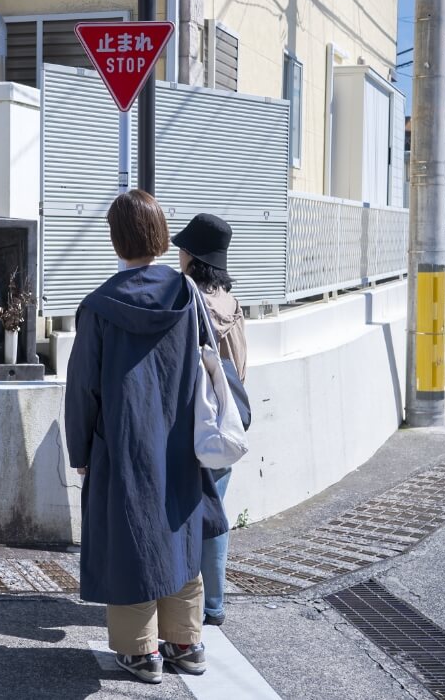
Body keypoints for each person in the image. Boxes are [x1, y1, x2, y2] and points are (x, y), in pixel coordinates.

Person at [64, 189, 226, 684]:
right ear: (159, 235)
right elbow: (209, 359)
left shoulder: (99, 307)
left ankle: (140, 652)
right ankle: (186, 641)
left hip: (122, 441)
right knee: (180, 534)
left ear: (116, 238)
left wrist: (80, 449)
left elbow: (83, 388)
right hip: (180, 440)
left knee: (128, 539)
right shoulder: (188, 294)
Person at [172, 213, 246, 628]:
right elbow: (240, 369)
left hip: (193, 427)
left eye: (183, 248)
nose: (178, 255)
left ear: (193, 256)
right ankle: (214, 605)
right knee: (216, 515)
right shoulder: (232, 304)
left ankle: (187, 604)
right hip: (226, 425)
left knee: (185, 515)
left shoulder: (188, 300)